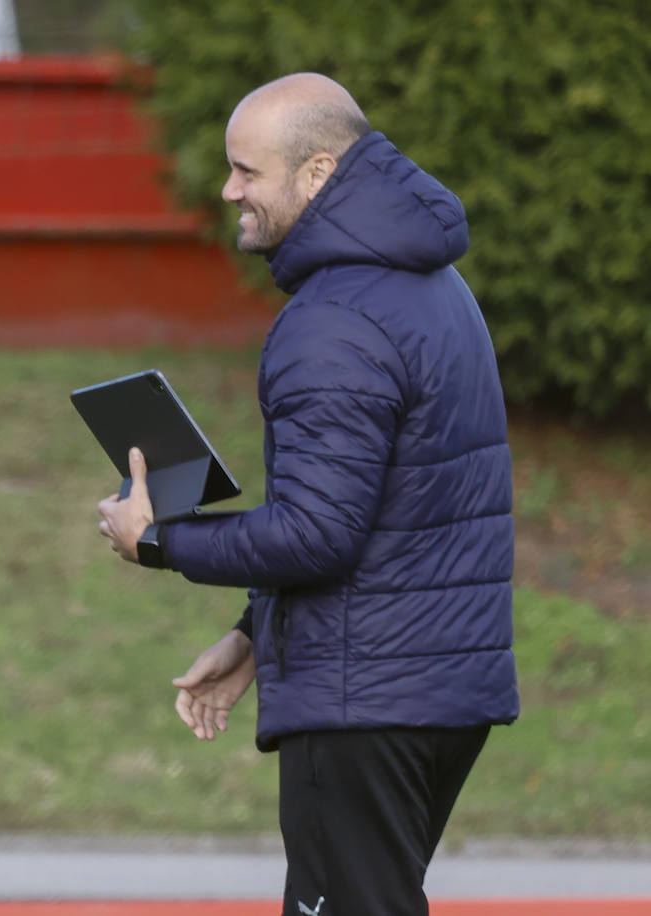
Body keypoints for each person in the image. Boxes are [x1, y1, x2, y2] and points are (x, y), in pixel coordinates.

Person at [97, 73, 519, 916]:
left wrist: (157, 541)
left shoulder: (334, 320)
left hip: (366, 701)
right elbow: (398, 513)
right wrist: (255, 634)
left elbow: (319, 534)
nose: (228, 191)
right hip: (433, 690)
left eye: (247, 172)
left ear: (318, 174)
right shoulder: (435, 289)